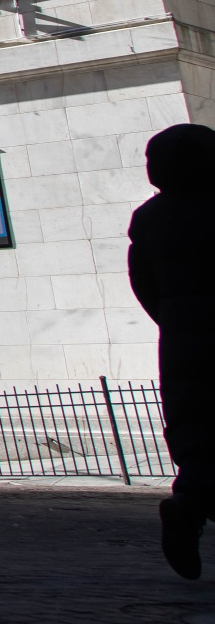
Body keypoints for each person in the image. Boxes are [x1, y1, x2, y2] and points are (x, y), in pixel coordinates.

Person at [129, 122, 215, 579]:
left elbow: (143, 282)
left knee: (200, 438)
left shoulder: (149, 218)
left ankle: (189, 503)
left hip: (182, 347)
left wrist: (177, 322)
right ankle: (191, 505)